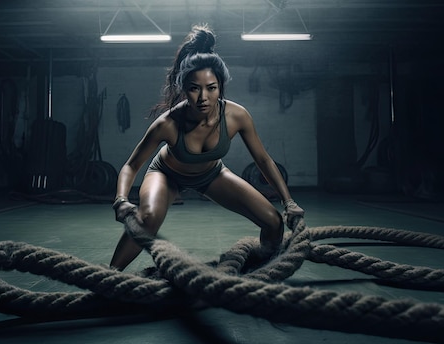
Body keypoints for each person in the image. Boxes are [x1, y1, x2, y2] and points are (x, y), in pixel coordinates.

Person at [110, 24, 305, 271]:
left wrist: (288, 202)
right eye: (194, 88)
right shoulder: (167, 124)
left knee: (274, 222)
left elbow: (263, 160)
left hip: (211, 175)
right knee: (146, 220)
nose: (203, 97)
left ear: (220, 86)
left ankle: (260, 269)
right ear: (184, 89)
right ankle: (109, 276)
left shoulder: (237, 116)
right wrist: (121, 199)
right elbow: (131, 165)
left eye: (211, 88)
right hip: (166, 175)